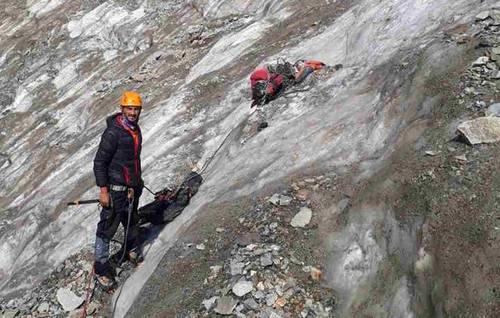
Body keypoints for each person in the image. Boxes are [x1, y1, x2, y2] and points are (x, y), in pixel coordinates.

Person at [93, 91, 144, 288]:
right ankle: (101, 267)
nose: (132, 112)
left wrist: (135, 183)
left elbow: (132, 160)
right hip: (115, 190)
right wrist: (103, 190)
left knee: (131, 220)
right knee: (107, 229)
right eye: (129, 108)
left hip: (131, 188)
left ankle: (131, 249)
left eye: (136, 109)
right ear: (122, 109)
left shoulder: (134, 129)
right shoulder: (113, 133)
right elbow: (99, 162)